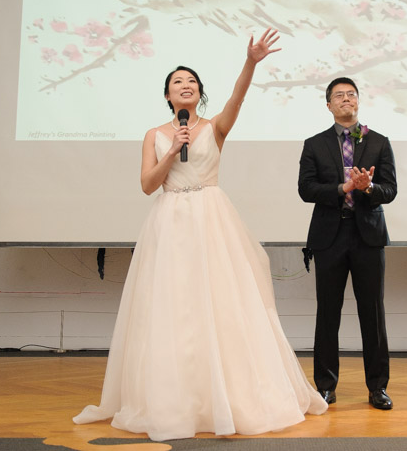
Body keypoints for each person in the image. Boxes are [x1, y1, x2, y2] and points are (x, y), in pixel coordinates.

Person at [74, 29, 327, 441]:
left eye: (191, 81)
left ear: (199, 93)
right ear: (168, 96)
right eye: (178, 82)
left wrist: (252, 62)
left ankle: (228, 396)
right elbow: (147, 185)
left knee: (222, 302)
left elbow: (237, 99)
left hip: (211, 217)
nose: (185, 86)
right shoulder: (155, 135)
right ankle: (176, 398)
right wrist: (173, 149)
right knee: (175, 307)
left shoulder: (215, 127)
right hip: (170, 219)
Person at [297, 77, 397, 410]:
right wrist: (341, 188)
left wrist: (367, 188)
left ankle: (378, 387)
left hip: (368, 236)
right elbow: (306, 189)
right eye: (338, 96)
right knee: (328, 314)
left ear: (358, 102)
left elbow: (390, 191)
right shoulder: (314, 144)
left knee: (373, 314)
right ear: (329, 105)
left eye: (351, 94)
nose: (345, 99)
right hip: (330, 237)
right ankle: (325, 386)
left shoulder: (379, 142)